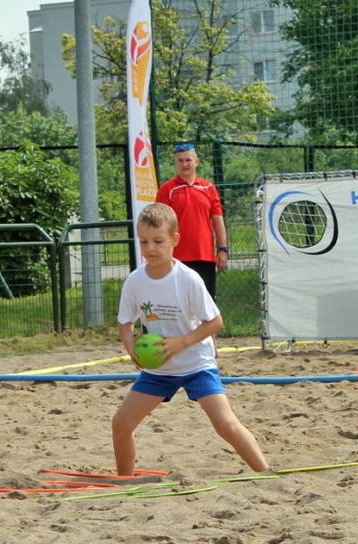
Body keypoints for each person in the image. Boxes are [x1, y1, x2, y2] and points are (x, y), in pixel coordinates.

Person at [113, 203, 268, 476]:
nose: (150, 248)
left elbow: (215, 321)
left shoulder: (188, 279)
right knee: (121, 424)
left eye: (158, 241)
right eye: (144, 241)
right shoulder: (135, 281)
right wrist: (131, 348)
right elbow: (125, 322)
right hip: (158, 369)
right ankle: (124, 481)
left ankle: (265, 472)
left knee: (225, 425)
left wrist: (179, 343)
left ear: (174, 240)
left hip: (197, 364)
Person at [156, 143, 229, 300]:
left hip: (205, 257)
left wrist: (223, 249)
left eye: (188, 160)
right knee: (178, 304)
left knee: (205, 305)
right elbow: (160, 225)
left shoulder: (209, 188)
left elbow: (218, 221)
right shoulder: (166, 190)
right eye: (180, 160)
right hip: (175, 258)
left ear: (197, 161)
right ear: (176, 163)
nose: (184, 164)